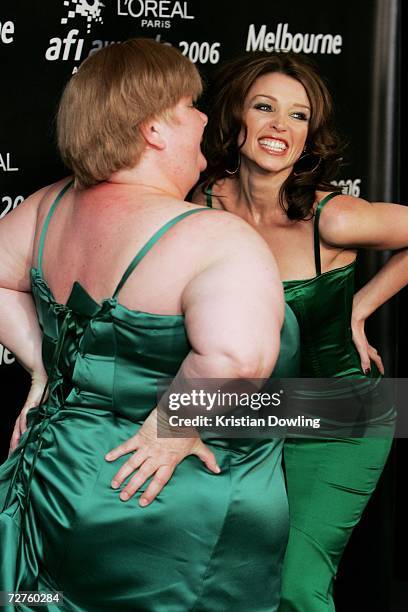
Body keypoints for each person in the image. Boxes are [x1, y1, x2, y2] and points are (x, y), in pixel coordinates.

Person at [0, 40, 300, 611]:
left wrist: (43, 367)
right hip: (165, 514)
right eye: (191, 105)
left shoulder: (47, 207)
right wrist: (171, 427)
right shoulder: (212, 236)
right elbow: (237, 360)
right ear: (154, 130)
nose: (207, 118)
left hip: (60, 482)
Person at [193, 51, 408, 611]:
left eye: (298, 116)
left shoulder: (330, 217)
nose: (279, 128)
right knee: (212, 576)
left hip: (339, 413)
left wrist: (358, 306)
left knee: (295, 587)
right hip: (247, 410)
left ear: (310, 134)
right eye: (264, 107)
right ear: (233, 116)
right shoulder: (200, 203)